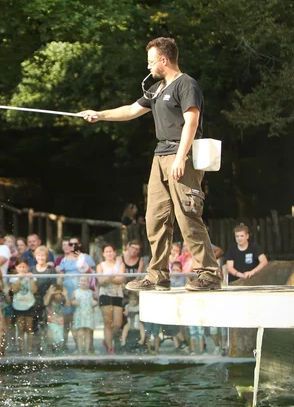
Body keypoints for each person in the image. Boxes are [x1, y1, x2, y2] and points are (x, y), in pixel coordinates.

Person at [81, 37, 221, 291]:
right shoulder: (156, 88)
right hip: (160, 156)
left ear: (164, 60)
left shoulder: (186, 84)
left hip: (183, 156)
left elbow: (192, 122)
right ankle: (157, 274)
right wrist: (99, 115)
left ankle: (209, 274)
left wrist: (180, 156)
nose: (148, 67)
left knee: (188, 214)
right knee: (154, 219)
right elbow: (131, 111)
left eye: (151, 62)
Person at [96, 244, 125, 354]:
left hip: (117, 294)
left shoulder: (120, 264)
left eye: (110, 251)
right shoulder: (100, 266)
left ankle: (106, 339)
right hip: (105, 295)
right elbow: (101, 282)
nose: (109, 253)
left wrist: (108, 278)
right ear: (103, 254)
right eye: (106, 251)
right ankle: (109, 347)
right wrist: (112, 277)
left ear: (114, 252)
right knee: (108, 323)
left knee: (117, 324)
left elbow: (121, 279)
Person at [10, 258, 37, 355]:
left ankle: (29, 350)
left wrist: (31, 279)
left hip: (29, 304)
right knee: (20, 328)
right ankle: (21, 350)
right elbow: (14, 290)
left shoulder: (31, 276)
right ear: (16, 267)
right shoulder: (13, 278)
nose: (22, 269)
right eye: (20, 267)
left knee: (29, 328)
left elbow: (34, 290)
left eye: (24, 267)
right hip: (18, 306)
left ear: (27, 267)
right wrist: (20, 279)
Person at [71, 276, 97, 355]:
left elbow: (94, 302)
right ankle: (79, 350)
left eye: (85, 281)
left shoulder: (90, 292)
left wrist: (95, 303)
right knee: (80, 333)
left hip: (88, 314)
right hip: (80, 314)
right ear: (78, 282)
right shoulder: (75, 292)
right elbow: (72, 301)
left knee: (88, 332)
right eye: (81, 281)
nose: (83, 282)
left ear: (88, 283)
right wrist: (74, 302)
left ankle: (87, 350)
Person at [44, 284, 70, 354]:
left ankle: (58, 351)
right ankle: (50, 351)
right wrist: (50, 293)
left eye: (59, 294)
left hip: (60, 322)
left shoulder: (63, 299)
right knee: (51, 337)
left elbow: (68, 305)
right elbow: (45, 303)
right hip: (51, 321)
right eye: (56, 294)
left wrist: (65, 295)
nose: (58, 295)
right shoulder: (49, 299)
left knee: (59, 338)